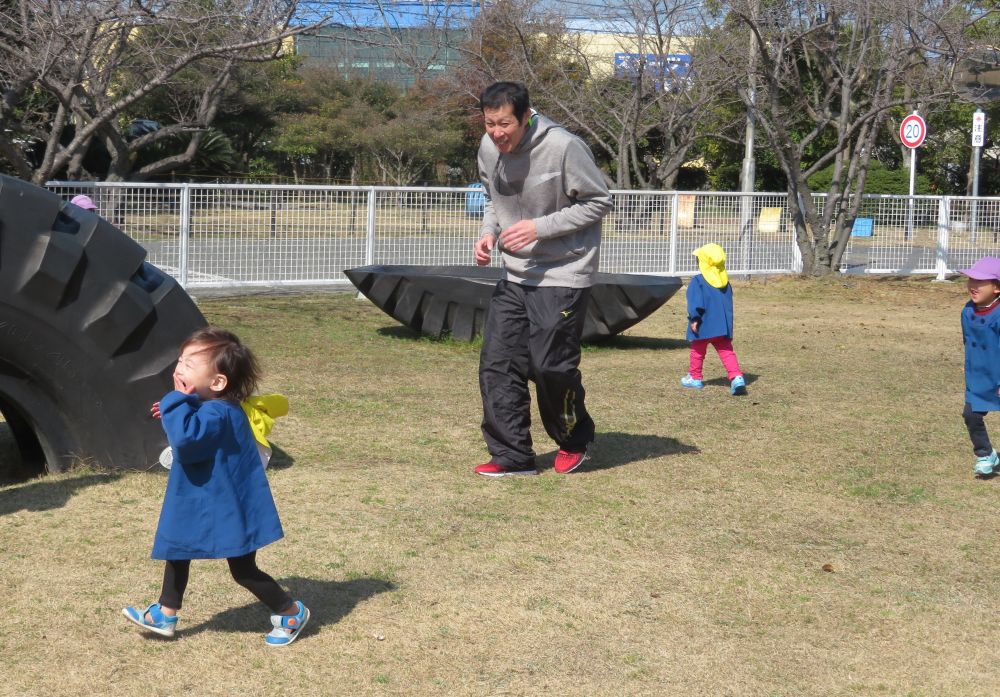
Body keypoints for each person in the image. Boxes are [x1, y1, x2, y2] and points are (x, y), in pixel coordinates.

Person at [123, 327, 309, 646]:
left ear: (218, 382)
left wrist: (175, 403)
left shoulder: (217, 414)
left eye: (190, 364)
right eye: (180, 360)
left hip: (224, 507)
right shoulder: (214, 406)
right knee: (177, 550)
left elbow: (187, 440)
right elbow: (193, 424)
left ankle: (290, 612)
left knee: (243, 570)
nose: (179, 368)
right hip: (206, 500)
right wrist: (180, 407)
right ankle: (165, 614)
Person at [472, 81, 612, 477]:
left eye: (504, 124)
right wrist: (489, 232)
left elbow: (599, 202)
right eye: (489, 124)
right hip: (514, 275)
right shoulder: (488, 148)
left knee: (551, 365)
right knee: (498, 363)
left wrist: (539, 228)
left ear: (526, 116)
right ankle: (512, 455)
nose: (497, 133)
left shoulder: (564, 146)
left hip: (564, 272)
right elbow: (492, 199)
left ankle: (573, 438)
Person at [680, 243, 748, 396]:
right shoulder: (725, 283)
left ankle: (695, 377)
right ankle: (737, 377)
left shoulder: (698, 281)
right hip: (722, 326)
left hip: (704, 325)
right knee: (726, 351)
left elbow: (695, 303)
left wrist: (695, 319)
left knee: (697, 351)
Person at [959, 256, 1000, 476]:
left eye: (980, 282)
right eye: (971, 280)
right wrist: (970, 364)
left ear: (996, 288)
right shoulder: (967, 311)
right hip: (979, 376)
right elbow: (968, 341)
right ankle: (985, 453)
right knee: (971, 415)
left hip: (998, 374)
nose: (973, 286)